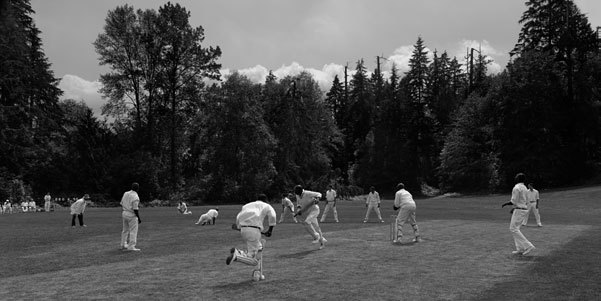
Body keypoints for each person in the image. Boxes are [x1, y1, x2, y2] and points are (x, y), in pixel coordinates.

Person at [226, 194, 276, 280]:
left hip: (244, 230)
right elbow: (273, 215)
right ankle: (237, 255)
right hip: (254, 231)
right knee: (254, 260)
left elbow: (239, 216)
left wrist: (238, 226)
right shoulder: (266, 205)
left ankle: (257, 274)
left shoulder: (247, 205)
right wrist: (270, 229)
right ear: (266, 200)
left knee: (259, 249)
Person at [506, 173, 536, 255]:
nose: (515, 177)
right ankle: (520, 249)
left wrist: (506, 204)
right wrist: (514, 207)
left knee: (513, 229)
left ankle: (528, 246)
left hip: (519, 210)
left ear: (518, 179)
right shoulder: (525, 188)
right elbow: (525, 200)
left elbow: (513, 201)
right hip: (523, 209)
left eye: (516, 177)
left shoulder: (516, 187)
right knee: (516, 229)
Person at [293, 185, 327, 249]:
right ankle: (322, 243)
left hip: (315, 210)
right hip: (308, 212)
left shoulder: (307, 193)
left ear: (300, 190)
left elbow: (319, 194)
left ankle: (316, 237)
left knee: (307, 221)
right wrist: (299, 210)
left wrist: (317, 199)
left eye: (297, 192)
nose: (296, 194)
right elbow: (298, 204)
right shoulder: (297, 195)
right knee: (316, 227)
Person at [120, 182, 142, 251]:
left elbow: (121, 203)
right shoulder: (135, 197)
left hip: (124, 212)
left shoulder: (126, 193)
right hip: (131, 214)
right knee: (133, 231)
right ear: (138, 189)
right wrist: (138, 218)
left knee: (125, 230)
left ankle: (123, 244)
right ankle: (131, 246)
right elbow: (135, 209)